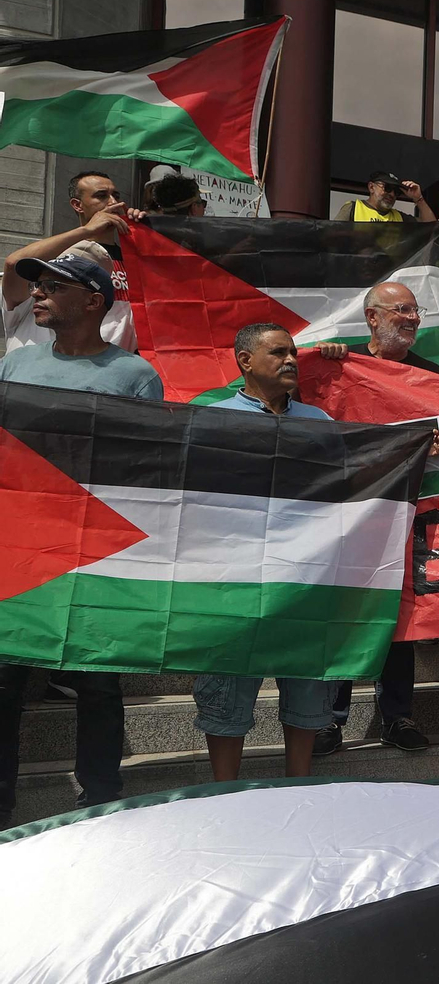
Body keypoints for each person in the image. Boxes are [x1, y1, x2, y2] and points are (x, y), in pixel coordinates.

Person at [0, 250, 164, 828]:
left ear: (94, 301)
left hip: (97, 551)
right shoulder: (14, 367)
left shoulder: (136, 376)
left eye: (54, 286)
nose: (38, 294)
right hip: (21, 551)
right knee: (5, 680)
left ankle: (102, 800)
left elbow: (151, 471)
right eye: (37, 286)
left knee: (97, 680)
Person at [194, 324, 338, 780]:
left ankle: (298, 785)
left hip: (304, 582)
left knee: (309, 690)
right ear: (245, 360)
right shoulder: (209, 418)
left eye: (293, 352)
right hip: (233, 584)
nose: (291, 360)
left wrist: (418, 451)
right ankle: (225, 793)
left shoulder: (322, 423)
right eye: (277, 353)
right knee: (226, 689)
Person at [312, 282, 439, 755]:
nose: (411, 318)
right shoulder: (340, 366)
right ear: (372, 317)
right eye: (401, 310)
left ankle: (397, 716)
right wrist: (323, 359)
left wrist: (436, 449)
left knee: (398, 617)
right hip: (346, 519)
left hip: (405, 519)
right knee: (347, 615)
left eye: (415, 310)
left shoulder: (431, 377)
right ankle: (328, 720)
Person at [4, 170, 142, 353]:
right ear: (77, 205)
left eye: (116, 196)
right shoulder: (49, 261)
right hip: (37, 376)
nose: (113, 203)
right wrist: (87, 230)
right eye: (101, 196)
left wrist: (148, 231)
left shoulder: (135, 264)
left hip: (105, 373)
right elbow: (14, 264)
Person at [333, 170, 437, 223]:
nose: (391, 194)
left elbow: (432, 227)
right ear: (371, 187)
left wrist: (418, 199)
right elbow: (331, 236)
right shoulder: (353, 208)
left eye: (396, 191)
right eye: (387, 187)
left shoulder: (400, 218)